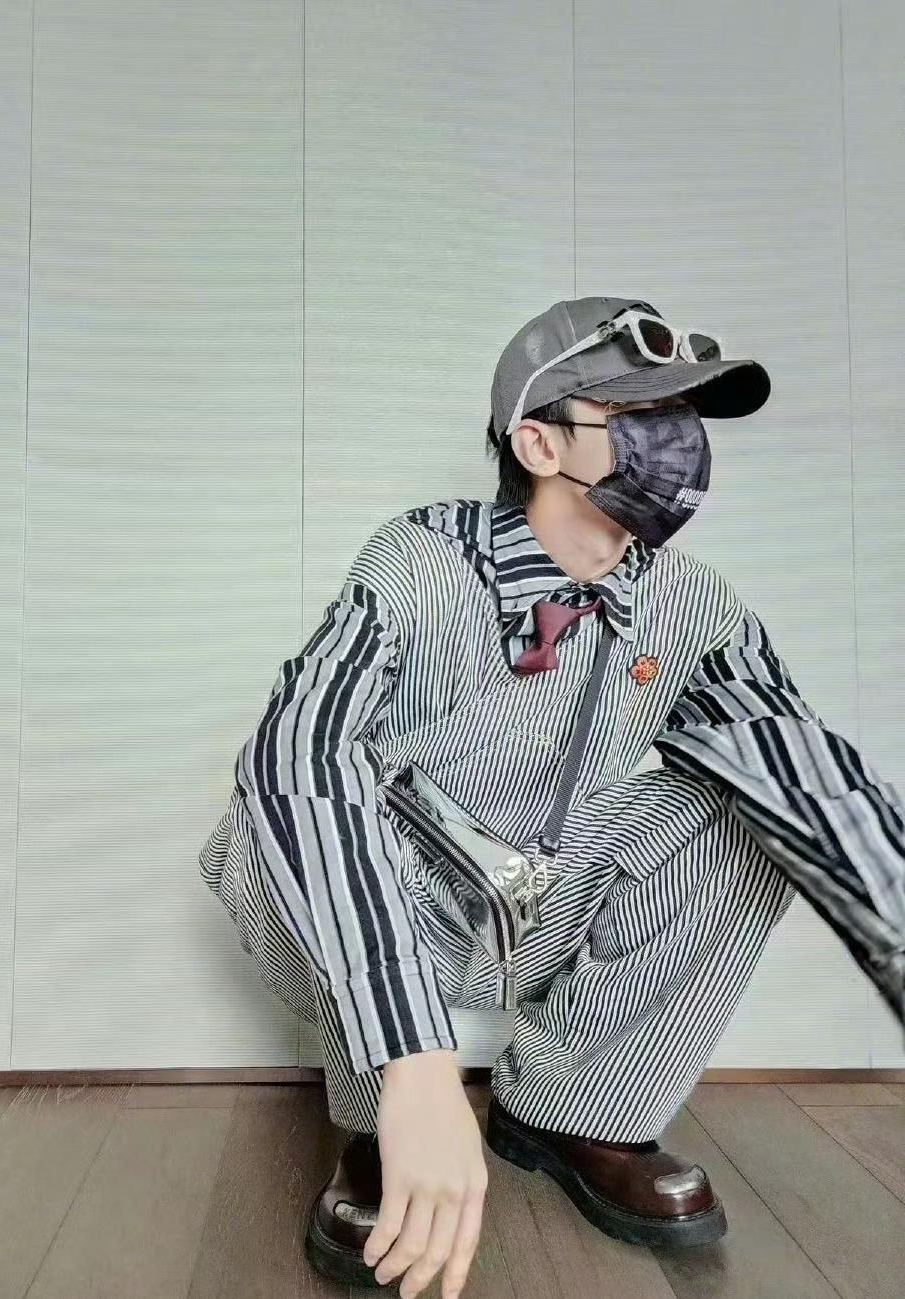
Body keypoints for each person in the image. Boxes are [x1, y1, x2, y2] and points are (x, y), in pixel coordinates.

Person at [198, 295, 905, 1299]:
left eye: (684, 416)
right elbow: (299, 757)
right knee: (294, 797)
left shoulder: (694, 601)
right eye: (639, 416)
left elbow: (803, 771)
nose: (678, 443)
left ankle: (578, 1108)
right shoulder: (418, 559)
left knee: (758, 801)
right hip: (409, 891)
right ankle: (385, 1117)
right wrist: (411, 1059)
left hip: (547, 897)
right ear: (538, 442)